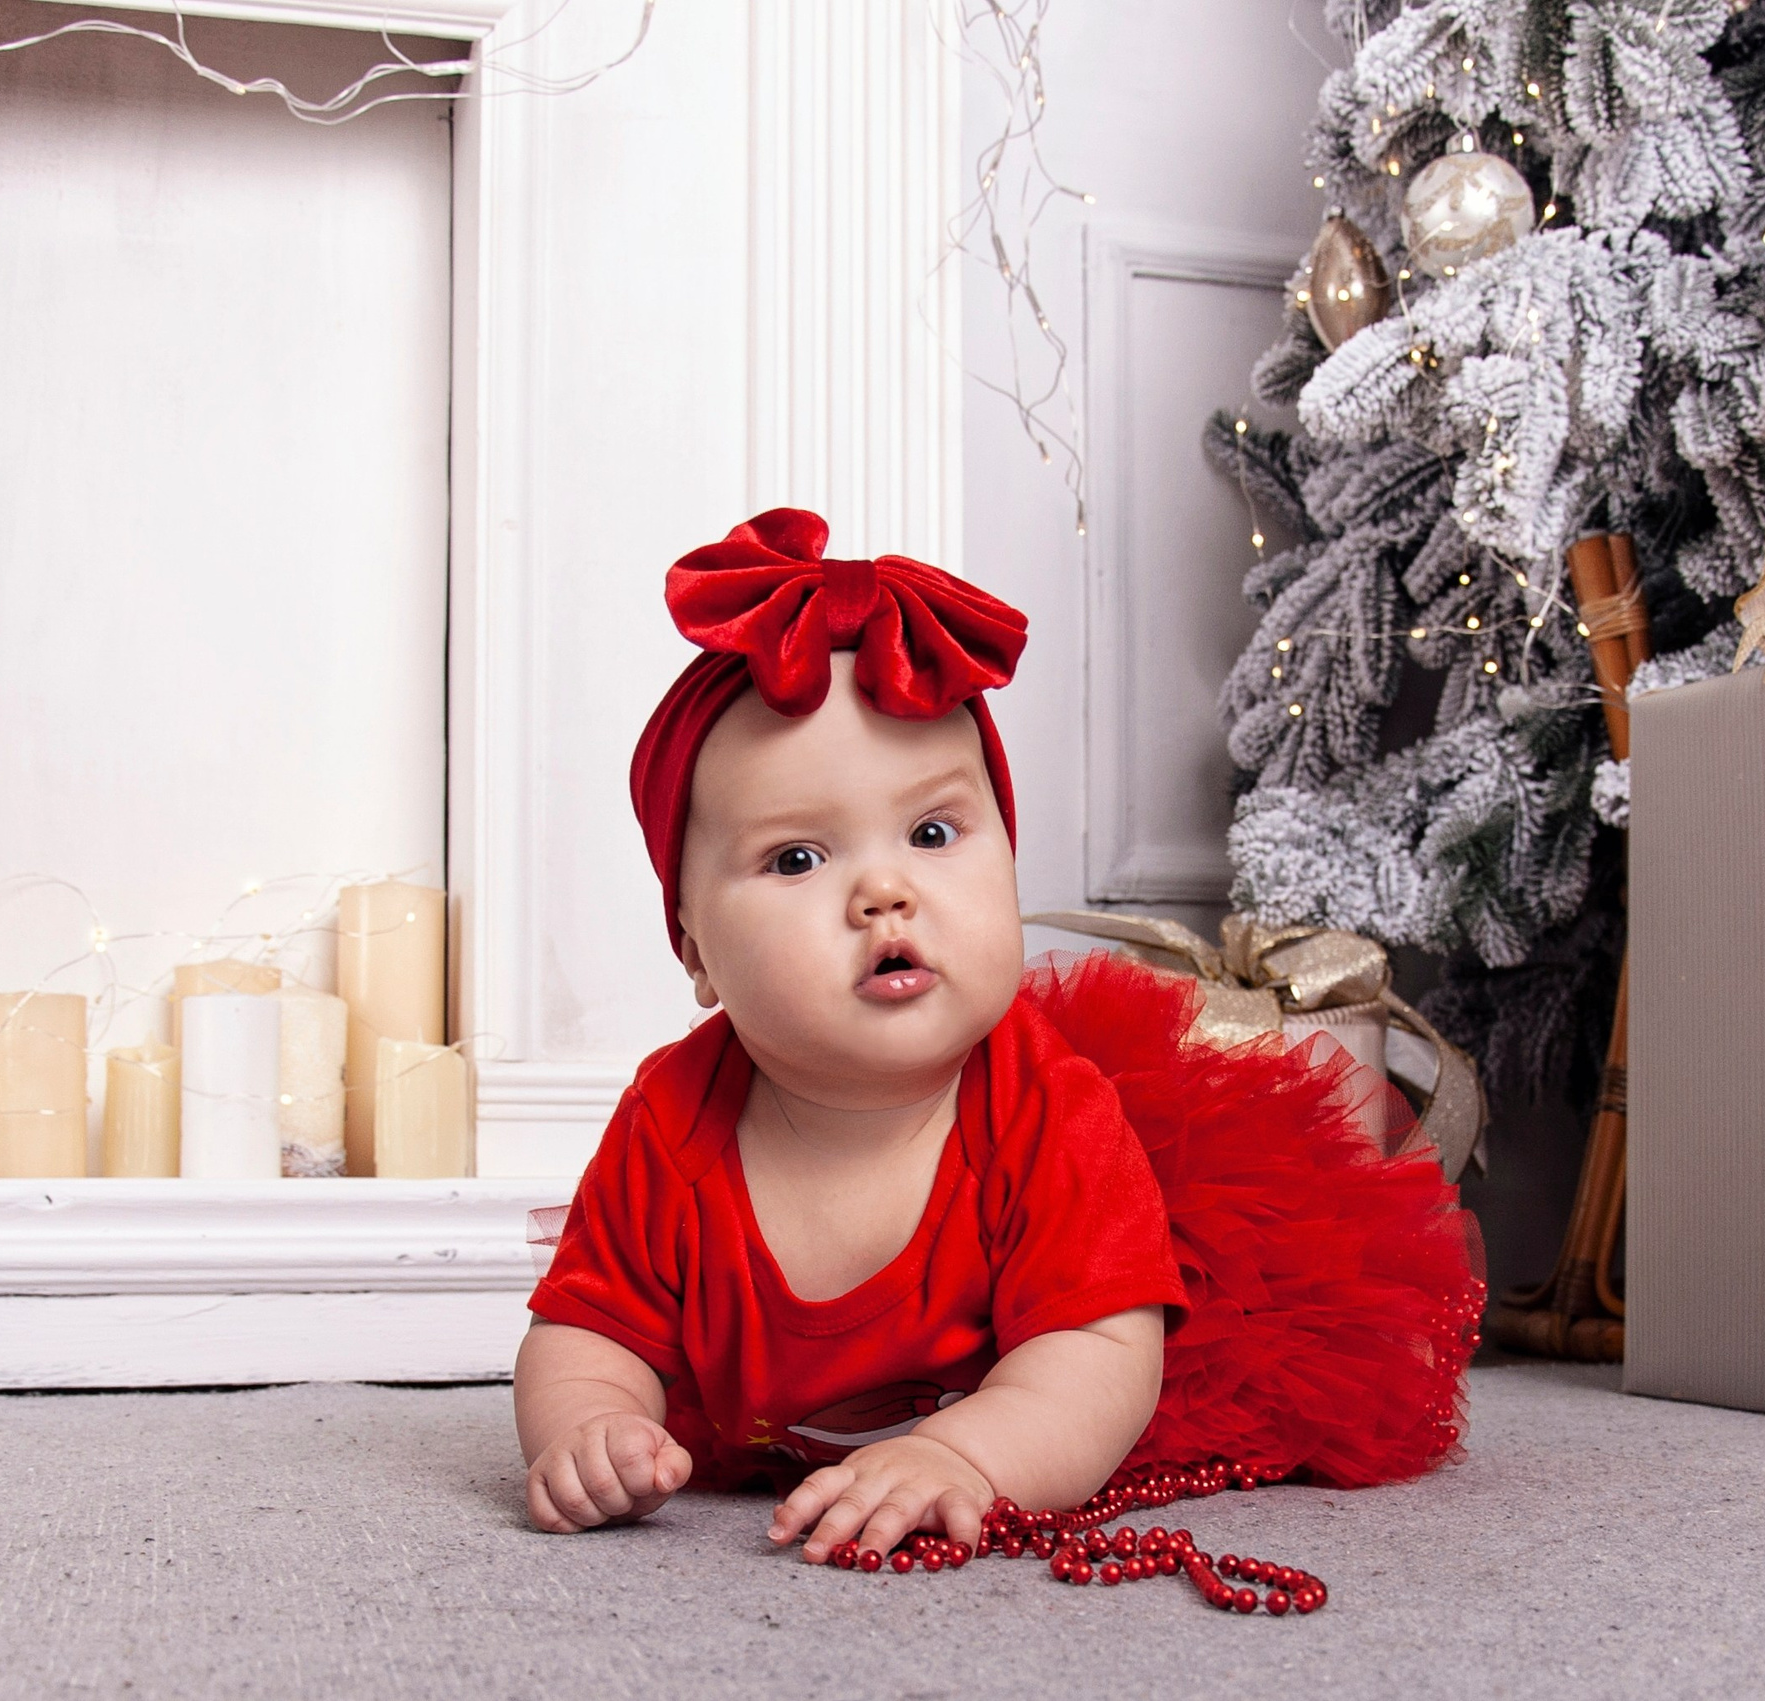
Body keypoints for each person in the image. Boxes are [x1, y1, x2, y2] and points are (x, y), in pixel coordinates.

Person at [515, 510, 1482, 1563]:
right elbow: (587, 1332)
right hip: (778, 1425)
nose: (884, 891)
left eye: (932, 833)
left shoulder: (1046, 1111)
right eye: (796, 858)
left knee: (1166, 1357)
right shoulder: (670, 1125)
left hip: (1093, 1384)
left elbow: (1097, 1355)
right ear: (695, 951)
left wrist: (964, 1457)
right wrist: (588, 1424)